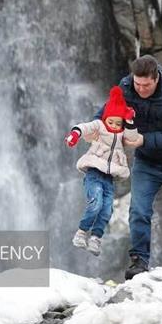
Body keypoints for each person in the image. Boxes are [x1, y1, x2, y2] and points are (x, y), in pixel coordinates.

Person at [97, 55, 162, 280]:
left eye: (146, 85)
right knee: (139, 211)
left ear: (157, 78)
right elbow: (105, 115)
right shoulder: (126, 88)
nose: (141, 89)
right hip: (147, 161)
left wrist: (143, 140)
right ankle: (139, 261)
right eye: (137, 84)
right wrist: (92, 131)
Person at [65, 86, 137, 256]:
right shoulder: (99, 126)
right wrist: (75, 134)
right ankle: (81, 233)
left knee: (106, 210)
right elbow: (85, 127)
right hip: (94, 174)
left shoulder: (122, 135)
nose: (113, 126)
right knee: (95, 202)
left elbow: (133, 138)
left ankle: (96, 238)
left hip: (109, 178)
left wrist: (130, 121)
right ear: (105, 119)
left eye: (118, 123)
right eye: (110, 122)